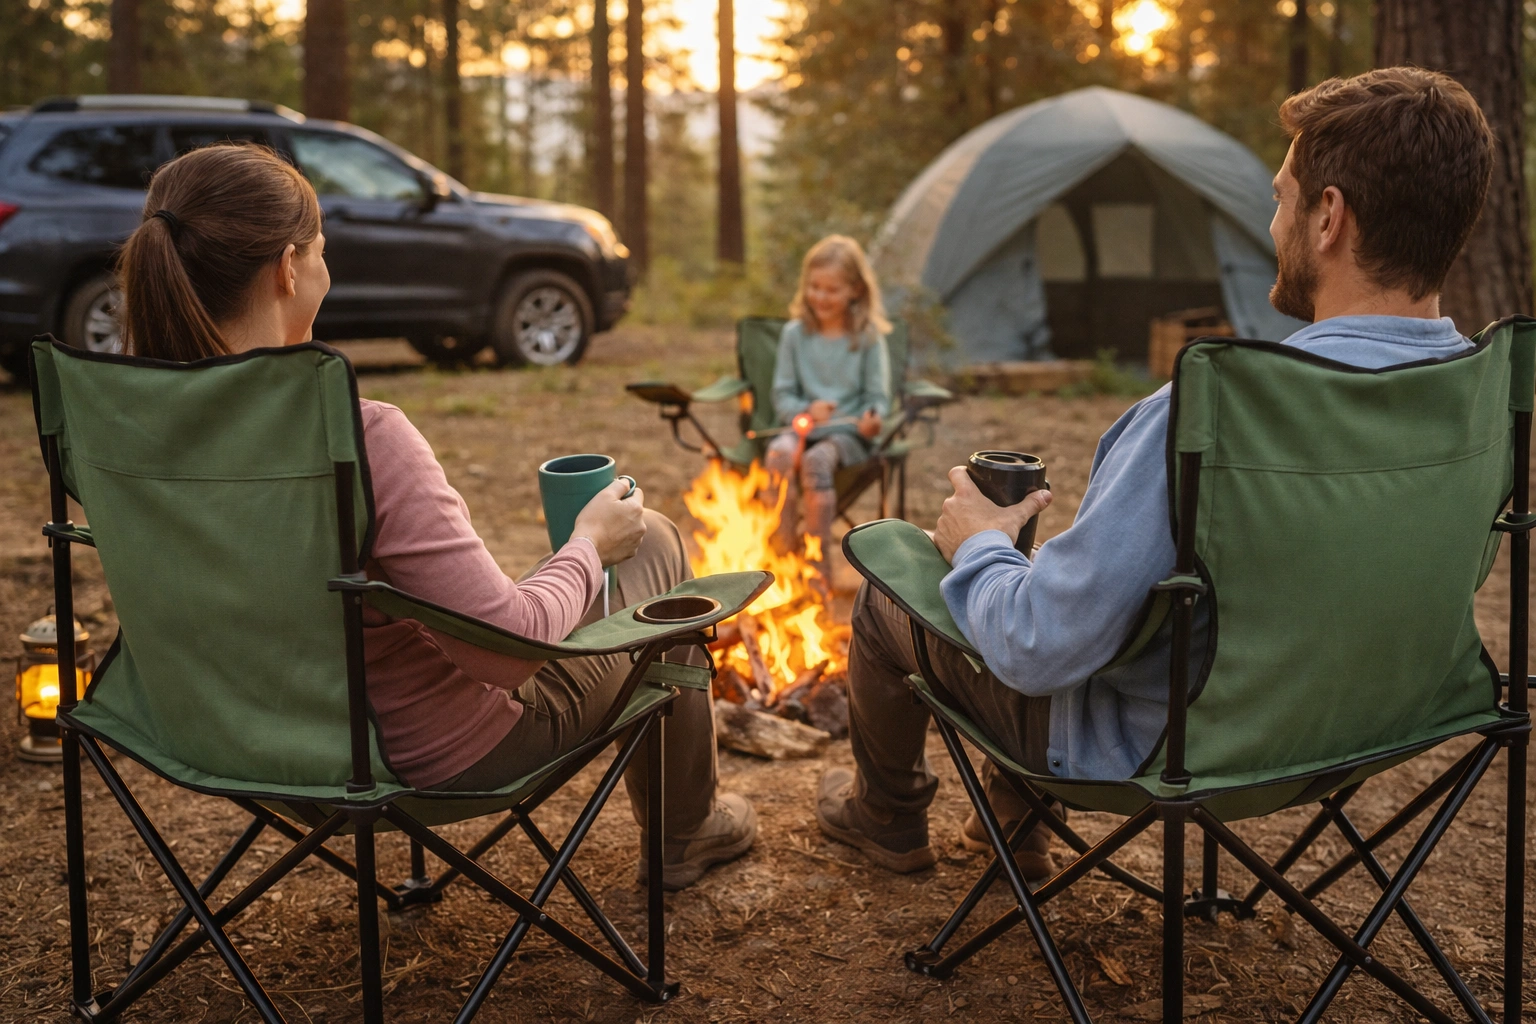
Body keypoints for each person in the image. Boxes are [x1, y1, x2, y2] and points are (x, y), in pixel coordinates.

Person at [815, 67, 1498, 879]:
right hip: (1377, 727)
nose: (1269, 219)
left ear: (1328, 217)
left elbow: (1039, 648)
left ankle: (886, 819)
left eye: (1280, 198)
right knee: (1076, 578)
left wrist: (977, 547)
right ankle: (1009, 824)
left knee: (895, 582)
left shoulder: (1211, 414)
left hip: (1162, 748)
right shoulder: (1485, 395)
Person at [114, 143, 755, 891]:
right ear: (290, 269)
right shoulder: (360, 437)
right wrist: (587, 543)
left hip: (221, 738)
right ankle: (688, 832)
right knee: (656, 545)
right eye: (323, 251)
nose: (325, 268)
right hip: (415, 758)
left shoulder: (127, 434)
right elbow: (509, 652)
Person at [763, 236, 892, 578]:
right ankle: (781, 556)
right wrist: (805, 411)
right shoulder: (795, 335)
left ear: (855, 290)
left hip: (847, 436)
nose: (820, 297)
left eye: (831, 289)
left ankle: (817, 566)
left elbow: (877, 398)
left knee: (815, 460)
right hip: (804, 426)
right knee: (778, 454)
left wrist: (872, 420)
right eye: (814, 287)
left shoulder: (867, 337)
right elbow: (782, 396)